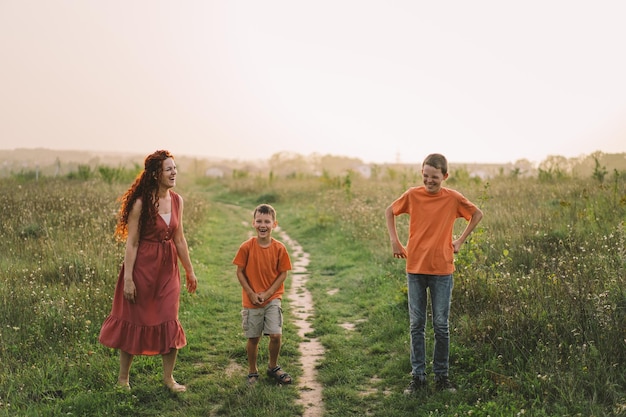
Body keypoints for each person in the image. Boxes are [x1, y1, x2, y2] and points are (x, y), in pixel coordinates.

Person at [99, 149, 198, 392]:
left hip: (167, 270)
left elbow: (180, 239)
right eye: (169, 169)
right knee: (134, 320)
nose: (174, 172)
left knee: (169, 320)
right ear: (156, 174)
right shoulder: (141, 203)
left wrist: (189, 271)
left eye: (175, 168)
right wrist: (129, 279)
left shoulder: (177, 201)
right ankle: (123, 379)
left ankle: (168, 379)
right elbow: (132, 243)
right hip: (142, 268)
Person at [385, 153, 483, 395]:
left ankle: (442, 377)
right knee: (416, 324)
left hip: (442, 270)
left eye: (435, 178)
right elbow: (390, 211)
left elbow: (477, 214)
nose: (429, 181)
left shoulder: (452, 199)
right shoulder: (412, 195)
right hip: (415, 268)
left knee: (441, 326)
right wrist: (395, 241)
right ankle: (418, 377)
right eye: (426, 176)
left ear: (445, 177)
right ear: (422, 173)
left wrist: (460, 240)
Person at [233, 204, 293, 386]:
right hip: (251, 301)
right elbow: (240, 272)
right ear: (253, 223)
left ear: (274, 224)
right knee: (253, 338)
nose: (263, 225)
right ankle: (252, 371)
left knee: (275, 335)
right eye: (259, 221)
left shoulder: (280, 248)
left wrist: (268, 293)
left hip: (272, 298)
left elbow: (283, 273)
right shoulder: (246, 247)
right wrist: (251, 293)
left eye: (267, 221)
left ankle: (273, 367)